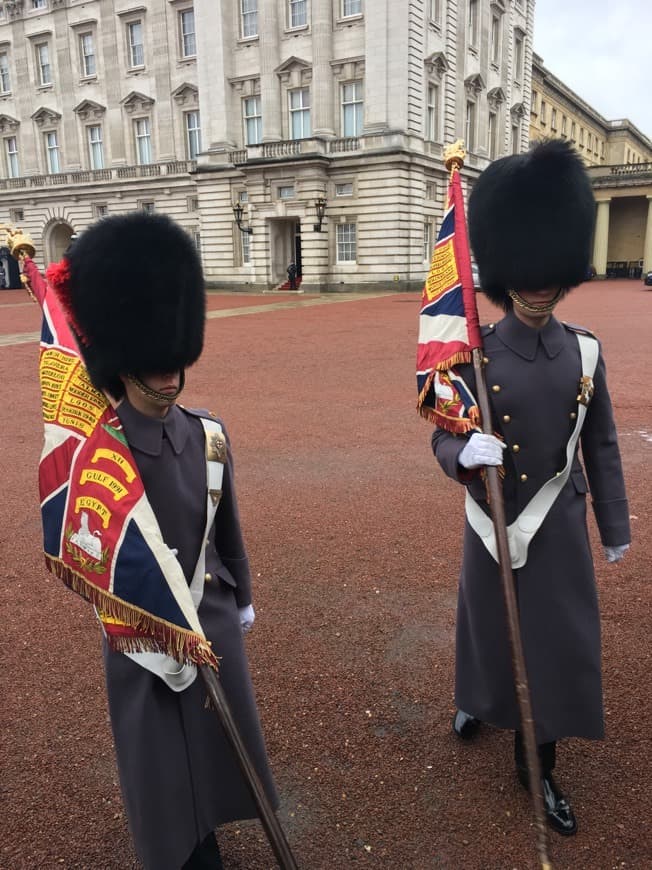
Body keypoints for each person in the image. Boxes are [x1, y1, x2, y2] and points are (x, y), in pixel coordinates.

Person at [51, 213, 279, 869]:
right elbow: (86, 556)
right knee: (160, 768)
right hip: (140, 636)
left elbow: (225, 528)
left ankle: (207, 829)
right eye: (152, 365)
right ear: (120, 362)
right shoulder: (98, 455)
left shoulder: (208, 435)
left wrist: (242, 595)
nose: (168, 377)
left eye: (173, 361)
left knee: (215, 749)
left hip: (210, 620)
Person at [431, 140, 630, 836]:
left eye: (551, 273)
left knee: (555, 643)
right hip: (493, 517)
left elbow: (600, 441)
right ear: (508, 270)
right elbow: (440, 433)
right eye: (529, 273)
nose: (540, 286)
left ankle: (537, 763)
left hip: (556, 523)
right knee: (487, 627)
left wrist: (615, 527)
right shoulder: (474, 354)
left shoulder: (585, 350)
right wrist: (461, 450)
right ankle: (478, 699)